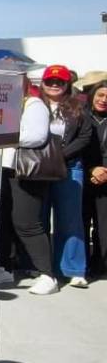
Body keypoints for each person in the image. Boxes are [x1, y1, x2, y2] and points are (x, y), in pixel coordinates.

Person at [3, 87, 63, 295]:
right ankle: (5, 266)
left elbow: (36, 137)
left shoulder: (34, 105)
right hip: (6, 170)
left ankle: (48, 275)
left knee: (27, 224)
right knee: (5, 221)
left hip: (26, 172)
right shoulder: (7, 103)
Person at [38, 64, 93, 288]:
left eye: (59, 82)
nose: (54, 85)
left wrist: (60, 155)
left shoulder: (79, 106)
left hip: (69, 167)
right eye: (50, 81)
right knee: (39, 219)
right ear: (42, 83)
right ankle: (41, 268)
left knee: (70, 219)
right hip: (40, 170)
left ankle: (74, 269)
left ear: (66, 84)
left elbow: (85, 136)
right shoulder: (33, 105)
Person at [83, 80, 107, 278]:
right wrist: (92, 169)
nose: (104, 100)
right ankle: (80, 263)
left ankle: (99, 263)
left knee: (104, 225)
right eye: (100, 95)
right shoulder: (81, 116)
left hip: (106, 179)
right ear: (92, 96)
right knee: (80, 222)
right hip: (83, 177)